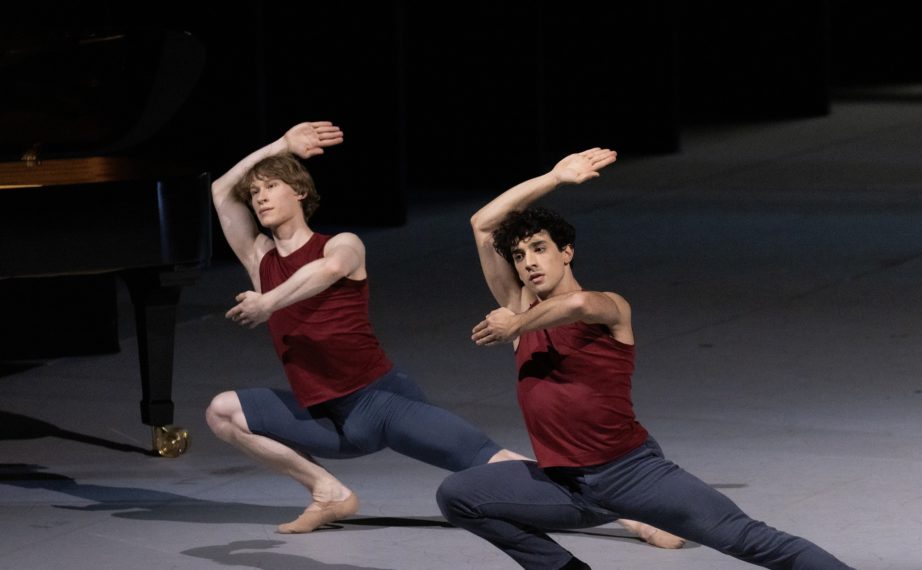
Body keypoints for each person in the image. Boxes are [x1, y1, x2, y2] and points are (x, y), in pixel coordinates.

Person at [203, 123, 681, 546]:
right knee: (222, 411)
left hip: (381, 404)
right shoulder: (260, 259)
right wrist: (282, 144)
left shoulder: (342, 244)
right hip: (324, 419)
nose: (259, 197)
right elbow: (221, 190)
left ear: (300, 192)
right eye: (256, 192)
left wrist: (268, 301)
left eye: (271, 186)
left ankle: (634, 517)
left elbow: (327, 272)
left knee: (493, 461)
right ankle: (327, 490)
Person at [436, 147, 854, 569]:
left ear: (566, 252)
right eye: (519, 256)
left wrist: (516, 325)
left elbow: (578, 304)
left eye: (539, 248)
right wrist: (554, 178)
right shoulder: (520, 308)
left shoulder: (608, 306)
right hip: (562, 483)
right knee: (458, 495)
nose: (528, 263)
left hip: (631, 474)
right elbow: (482, 224)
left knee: (748, 539)